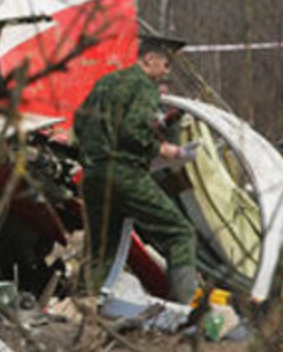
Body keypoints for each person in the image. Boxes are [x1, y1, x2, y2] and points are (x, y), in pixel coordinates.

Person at [75, 35, 198, 303]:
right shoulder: (145, 86)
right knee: (180, 233)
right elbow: (133, 131)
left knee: (101, 250)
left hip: (93, 176)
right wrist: (167, 151)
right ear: (149, 59)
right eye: (166, 64)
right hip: (124, 174)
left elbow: (79, 125)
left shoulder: (106, 82)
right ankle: (186, 311)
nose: (168, 71)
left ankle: (85, 308)